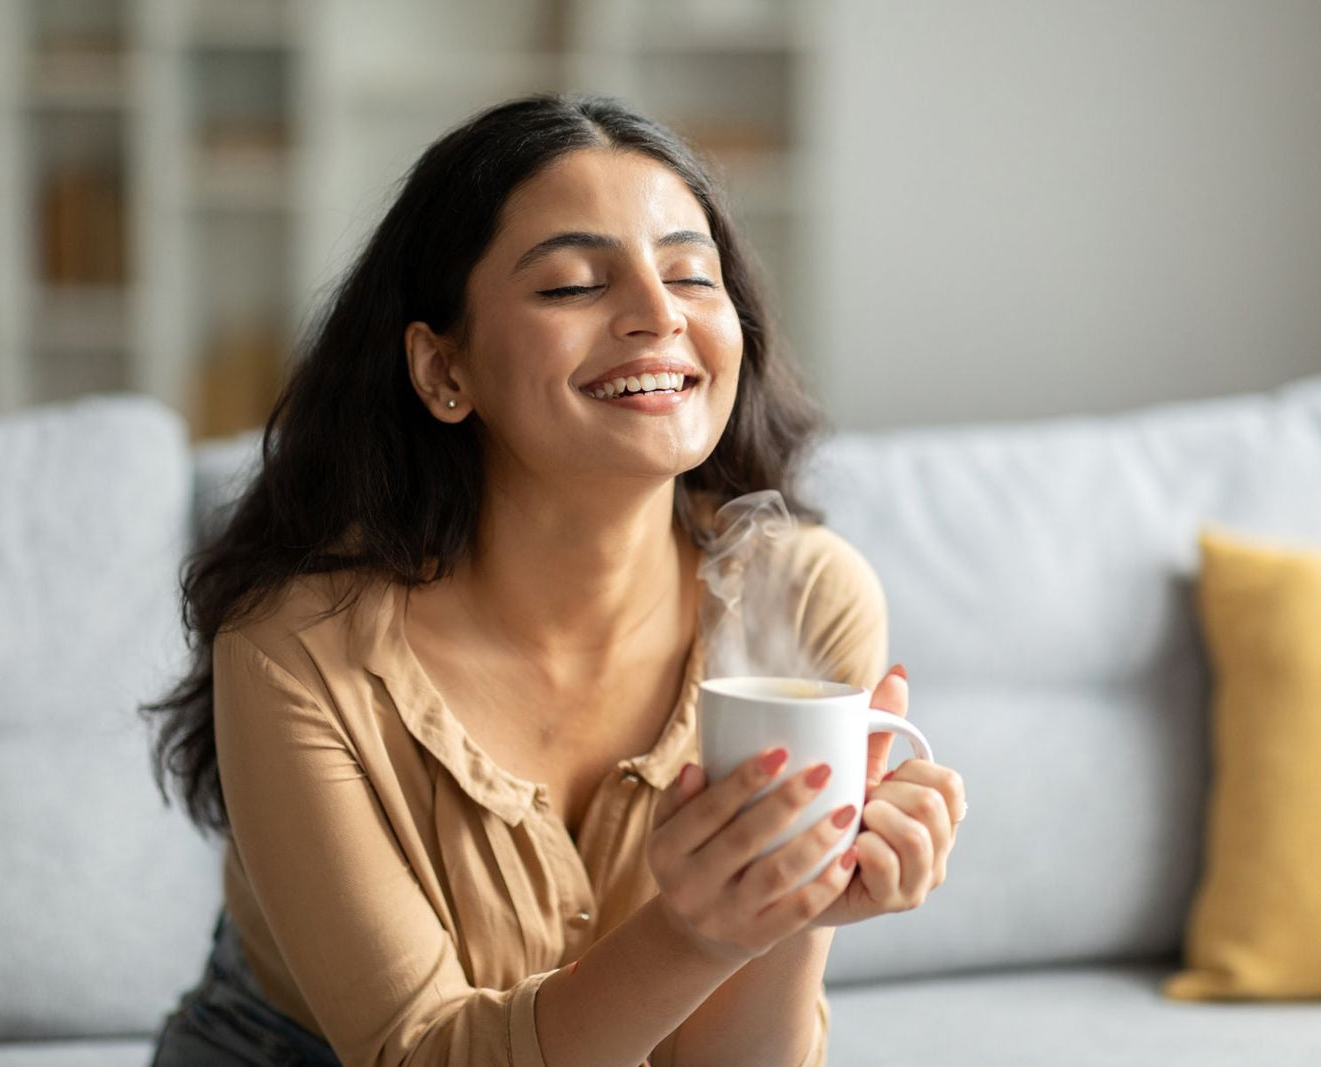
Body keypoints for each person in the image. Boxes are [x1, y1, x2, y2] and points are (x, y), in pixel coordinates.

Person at [144, 93, 965, 1067]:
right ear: (444, 368)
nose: (659, 315)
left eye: (691, 275)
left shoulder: (806, 595)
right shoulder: (296, 644)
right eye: (574, 284)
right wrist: (695, 933)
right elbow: (421, 1055)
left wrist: (787, 909)